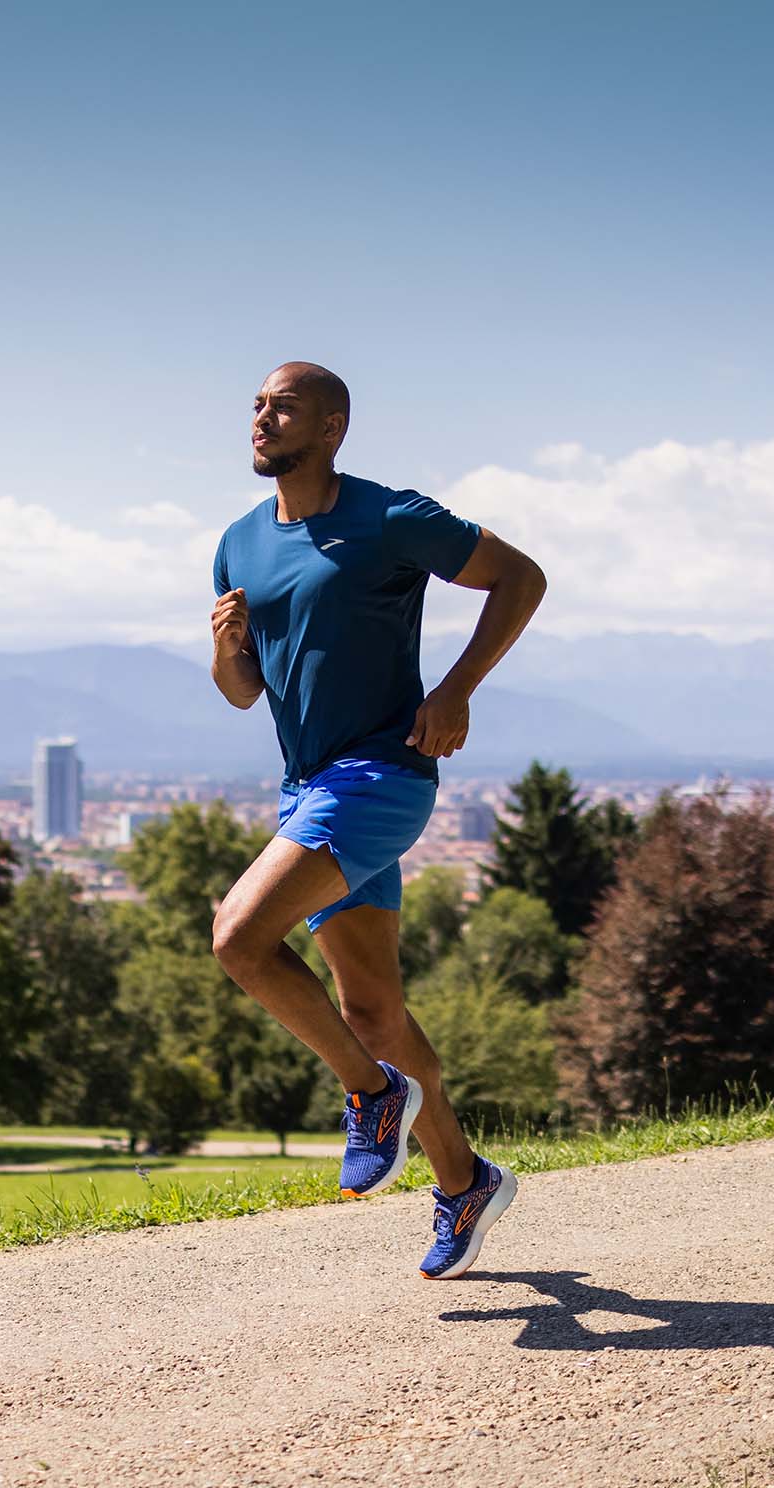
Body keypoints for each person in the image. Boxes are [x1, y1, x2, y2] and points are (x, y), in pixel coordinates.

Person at [209, 361, 548, 1279]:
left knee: (239, 937)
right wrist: (222, 654)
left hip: (382, 772)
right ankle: (464, 1180)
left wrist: (456, 687)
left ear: (330, 427)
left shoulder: (390, 515)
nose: (260, 417)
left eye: (281, 406)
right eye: (255, 405)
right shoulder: (238, 542)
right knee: (372, 1009)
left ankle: (368, 1097)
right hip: (306, 781)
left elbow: (520, 576)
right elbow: (245, 693)